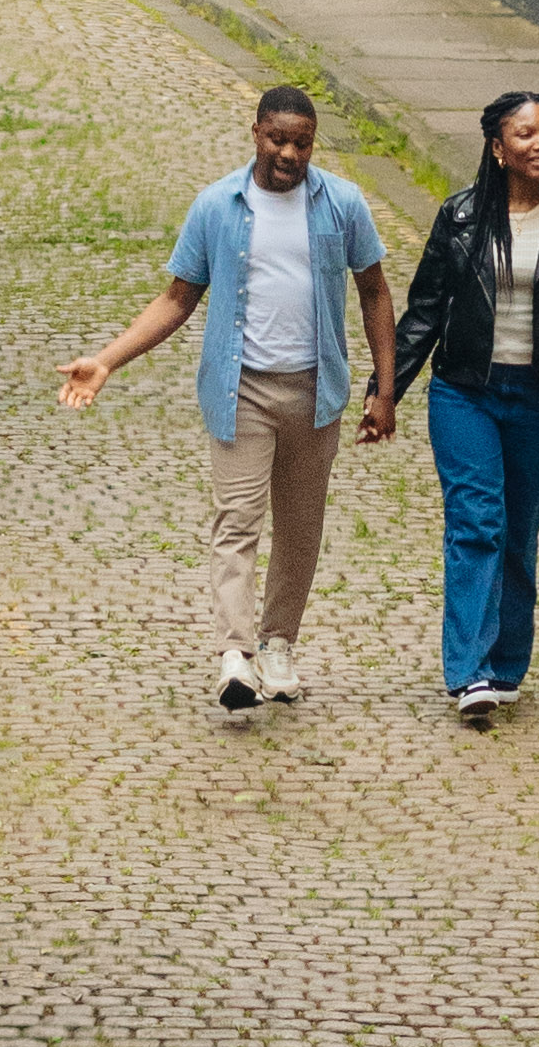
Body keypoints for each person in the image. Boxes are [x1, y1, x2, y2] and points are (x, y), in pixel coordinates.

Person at [57, 78, 395, 717]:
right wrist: (105, 360)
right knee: (237, 520)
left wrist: (385, 387)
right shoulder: (217, 206)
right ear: (256, 134)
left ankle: (277, 646)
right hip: (242, 389)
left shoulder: (343, 205)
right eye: (277, 140)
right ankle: (236, 656)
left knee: (300, 529)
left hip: (316, 391)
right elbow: (177, 299)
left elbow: (375, 292)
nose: (290, 155)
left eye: (302, 144)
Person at [379, 85, 539, 721]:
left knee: (519, 533)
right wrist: (387, 393)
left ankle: (507, 662)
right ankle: (469, 673)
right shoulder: (460, 217)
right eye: (526, 135)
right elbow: (425, 312)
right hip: (465, 392)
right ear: (498, 149)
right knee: (477, 524)